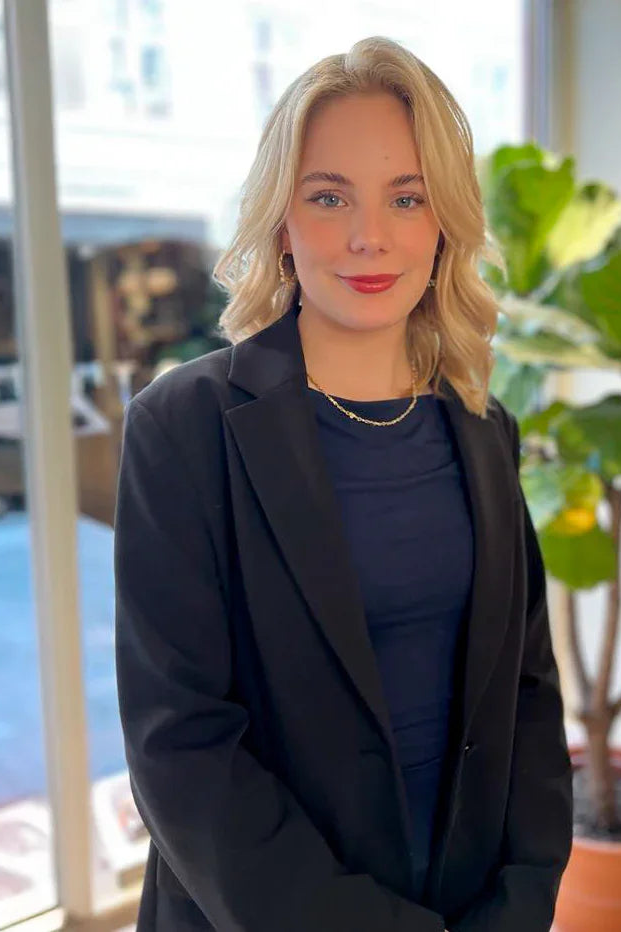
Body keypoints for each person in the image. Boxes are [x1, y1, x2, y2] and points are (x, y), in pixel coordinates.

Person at [114, 35, 573, 932]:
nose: (371, 236)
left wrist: (522, 899)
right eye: (329, 197)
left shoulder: (484, 427)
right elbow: (182, 744)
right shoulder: (184, 427)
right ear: (281, 221)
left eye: (407, 196)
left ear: (443, 223)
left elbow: (526, 691)